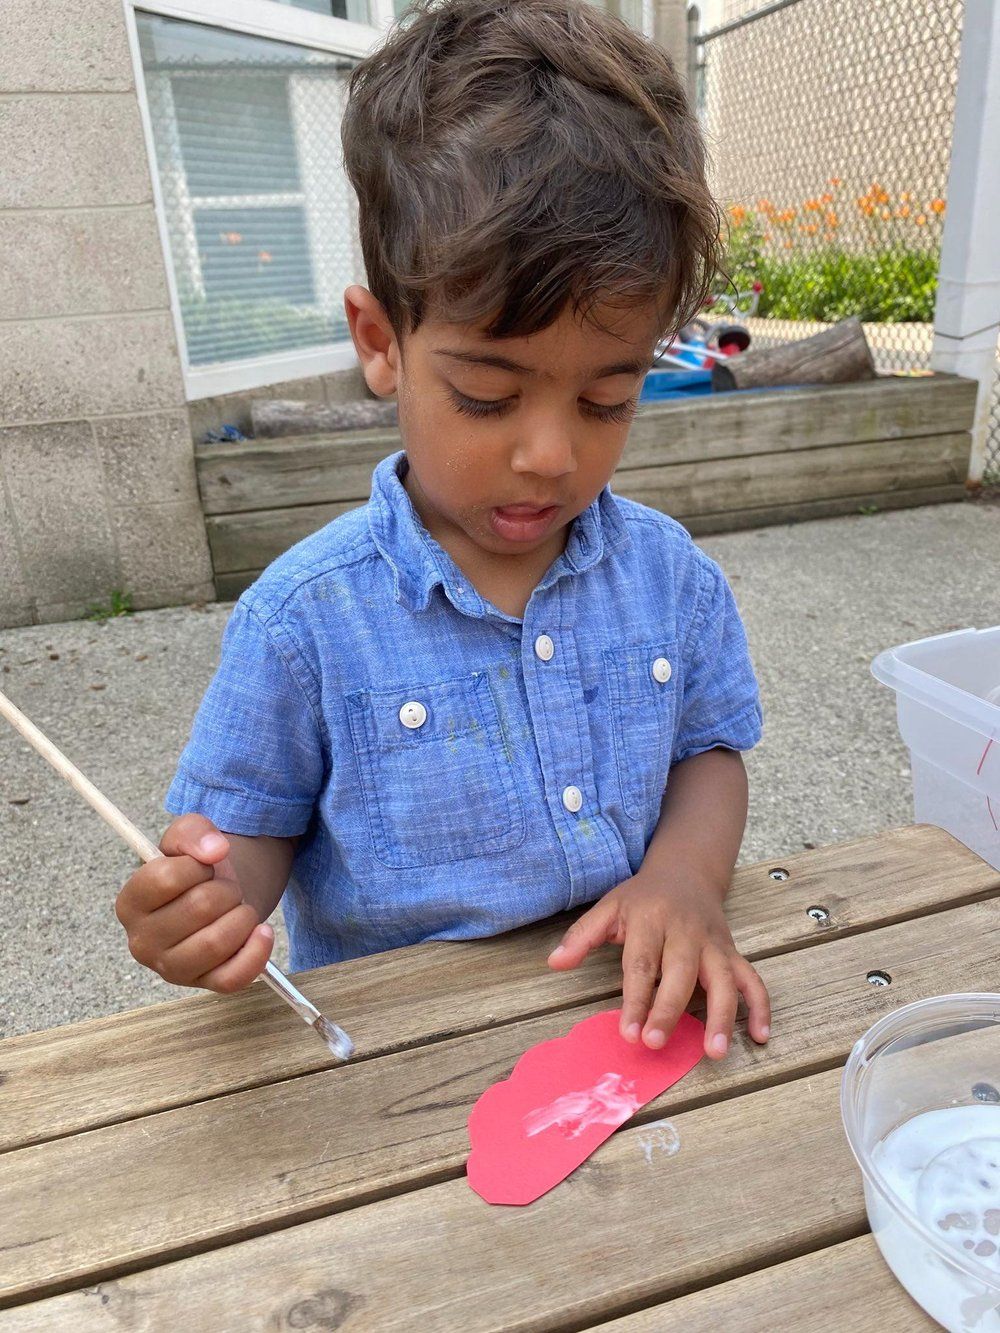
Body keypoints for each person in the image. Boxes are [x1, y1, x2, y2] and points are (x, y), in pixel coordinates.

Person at [115, 0, 770, 1061]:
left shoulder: (669, 578)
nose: (551, 454)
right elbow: (252, 835)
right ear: (382, 343)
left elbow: (708, 750)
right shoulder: (304, 620)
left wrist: (684, 878)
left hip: (626, 1021)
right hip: (391, 1055)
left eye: (607, 398)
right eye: (485, 394)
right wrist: (204, 903)